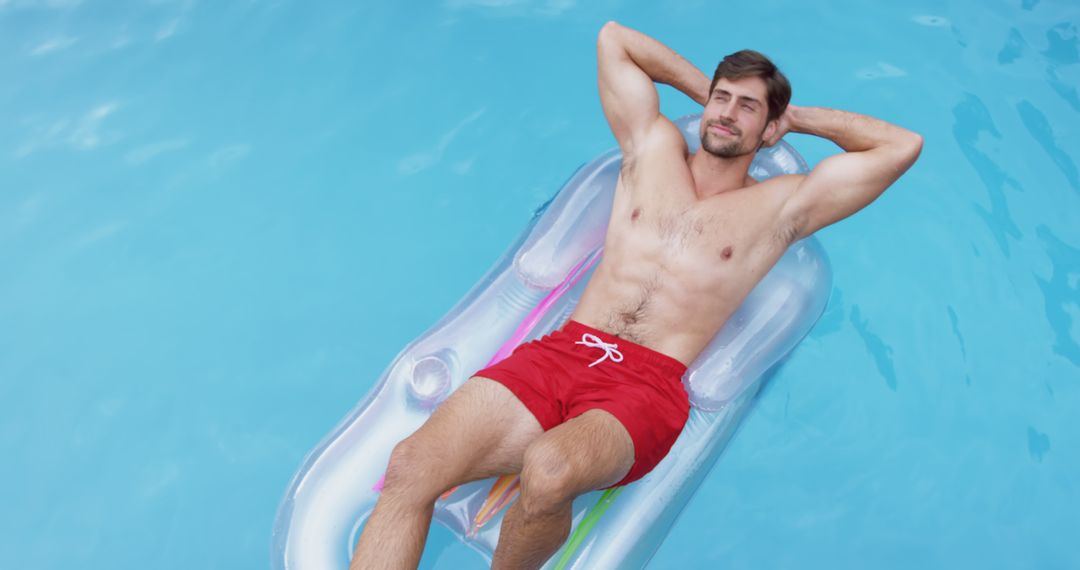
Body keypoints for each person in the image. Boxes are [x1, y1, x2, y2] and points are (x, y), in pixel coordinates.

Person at [350, 20, 922, 570]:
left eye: (748, 107)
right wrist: (713, 96)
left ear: (769, 130)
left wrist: (794, 118)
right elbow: (615, 40)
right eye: (722, 99)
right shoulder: (650, 150)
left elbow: (900, 146)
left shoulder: (782, 207)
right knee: (410, 466)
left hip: (644, 386)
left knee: (548, 471)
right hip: (564, 352)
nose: (727, 113)